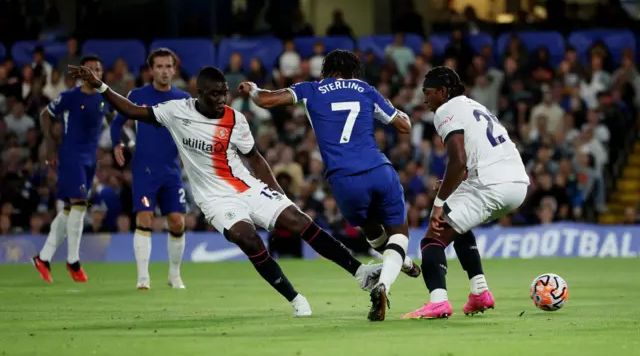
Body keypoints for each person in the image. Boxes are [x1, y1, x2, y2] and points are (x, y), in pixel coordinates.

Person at [69, 64, 383, 317]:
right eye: (215, 95)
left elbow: (255, 159)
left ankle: (361, 273)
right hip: (214, 198)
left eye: (225, 93)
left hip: (246, 187)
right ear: (199, 94)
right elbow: (131, 110)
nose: (222, 99)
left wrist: (278, 193)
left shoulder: (236, 119)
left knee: (301, 222)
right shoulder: (176, 111)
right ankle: (296, 298)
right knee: (247, 238)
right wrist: (100, 86)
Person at [237, 49, 421, 322]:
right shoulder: (365, 89)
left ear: (326, 70)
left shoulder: (311, 89)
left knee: (371, 230)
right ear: (353, 71)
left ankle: (399, 262)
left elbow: (267, 100)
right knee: (399, 234)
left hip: (344, 180)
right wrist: (391, 107)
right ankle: (388, 279)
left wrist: (252, 89)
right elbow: (404, 126)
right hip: (379, 170)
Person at [401, 66, 530, 320]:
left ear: (442, 91)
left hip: (490, 184)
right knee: (458, 224)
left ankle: (438, 302)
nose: (424, 99)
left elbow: (458, 161)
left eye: (427, 93)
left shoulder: (445, 110)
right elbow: (471, 159)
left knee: (432, 238)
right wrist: (455, 184)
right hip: (517, 184)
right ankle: (479, 292)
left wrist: (440, 202)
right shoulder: (474, 106)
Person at [110, 48, 190, 290]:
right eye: (160, 67)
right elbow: (117, 122)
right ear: (151, 70)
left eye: (168, 67)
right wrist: (117, 144)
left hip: (171, 170)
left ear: (174, 70)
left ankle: (174, 275)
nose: (164, 71)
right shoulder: (138, 94)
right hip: (144, 169)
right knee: (144, 217)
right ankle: (143, 278)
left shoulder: (184, 98)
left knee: (177, 221)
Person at [32, 55, 116, 283]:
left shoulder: (103, 97)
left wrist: (121, 143)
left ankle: (43, 257)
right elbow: (45, 115)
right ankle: (73, 262)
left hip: (90, 160)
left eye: (98, 68)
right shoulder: (70, 97)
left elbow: (114, 119)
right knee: (79, 206)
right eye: (89, 69)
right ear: (81, 73)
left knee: (70, 209)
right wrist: (50, 145)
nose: (94, 72)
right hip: (71, 157)